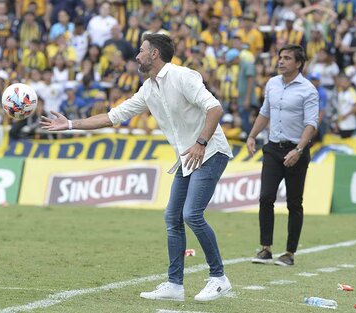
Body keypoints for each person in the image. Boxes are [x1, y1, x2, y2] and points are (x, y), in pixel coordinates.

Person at [41, 34, 233, 302]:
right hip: (187, 156)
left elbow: (214, 108)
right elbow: (112, 117)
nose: (137, 56)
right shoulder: (148, 89)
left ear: (154, 54)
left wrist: (201, 143)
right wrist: (71, 124)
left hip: (210, 151)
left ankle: (219, 278)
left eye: (141, 51)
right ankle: (175, 285)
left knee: (191, 215)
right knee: (172, 218)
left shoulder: (183, 76)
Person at [247, 44, 319, 267]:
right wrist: (252, 136)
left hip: (296, 150)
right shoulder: (272, 84)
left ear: (298, 63)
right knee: (266, 197)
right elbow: (264, 112)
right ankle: (265, 248)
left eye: (287, 58)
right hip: (272, 148)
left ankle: (289, 253)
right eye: (280, 57)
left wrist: (298, 150)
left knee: (294, 203)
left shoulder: (308, 90)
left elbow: (311, 123)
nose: (281, 61)